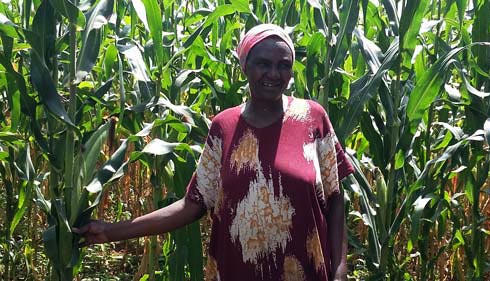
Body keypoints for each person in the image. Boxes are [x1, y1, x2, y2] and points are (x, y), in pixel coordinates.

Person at [74, 23, 354, 281]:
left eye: (284, 65)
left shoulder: (312, 118)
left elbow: (335, 199)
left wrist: (340, 271)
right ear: (245, 66)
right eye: (263, 64)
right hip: (236, 270)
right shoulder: (225, 126)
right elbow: (192, 204)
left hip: (305, 272)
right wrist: (111, 231)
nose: (273, 74)